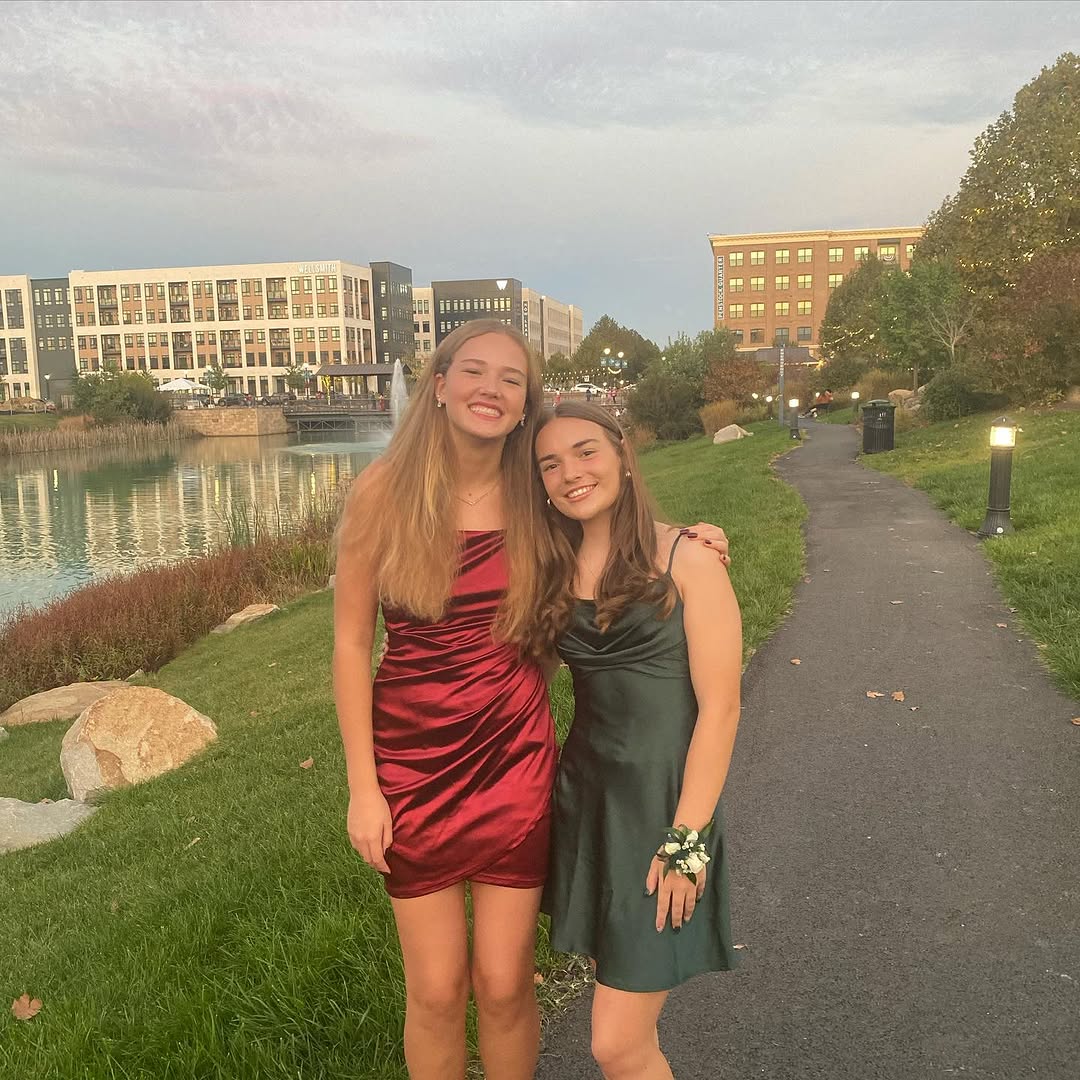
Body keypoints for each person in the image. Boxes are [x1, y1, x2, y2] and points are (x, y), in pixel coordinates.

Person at [333, 324, 730, 1080]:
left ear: (525, 404)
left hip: (514, 761)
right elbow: (352, 645)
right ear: (438, 384)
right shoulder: (383, 490)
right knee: (436, 990)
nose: (490, 388)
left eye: (511, 379)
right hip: (410, 766)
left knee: (505, 983)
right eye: (473, 371)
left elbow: (611, 522)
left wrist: (691, 542)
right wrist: (363, 787)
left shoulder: (535, 492)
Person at [534, 402, 742, 1080]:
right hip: (589, 802)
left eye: (585, 451)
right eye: (550, 464)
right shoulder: (552, 569)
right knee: (628, 1028)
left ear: (623, 454)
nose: (570, 473)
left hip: (663, 807)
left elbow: (721, 709)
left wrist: (687, 840)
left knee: (616, 1045)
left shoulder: (689, 557)